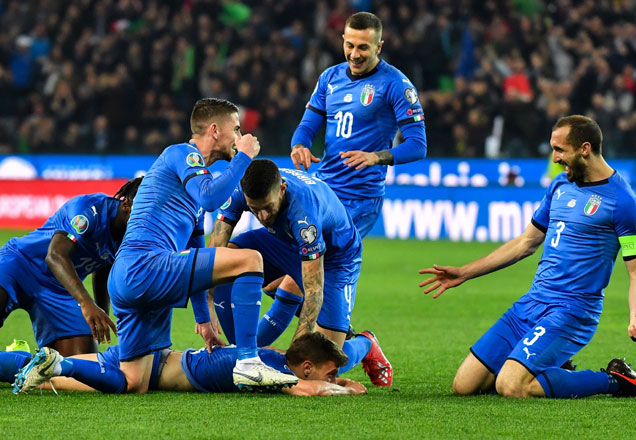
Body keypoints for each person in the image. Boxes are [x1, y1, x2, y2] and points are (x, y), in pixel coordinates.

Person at [49, 98, 296, 395]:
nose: (241, 137)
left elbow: (196, 250)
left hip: (130, 276)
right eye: (237, 129)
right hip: (145, 265)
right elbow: (209, 198)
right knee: (250, 259)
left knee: (134, 381)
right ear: (215, 130)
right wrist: (244, 156)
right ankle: (247, 361)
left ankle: (50, 368)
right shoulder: (181, 154)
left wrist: (204, 319)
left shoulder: (193, 186)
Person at [418, 115, 636, 399]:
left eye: (560, 150)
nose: (555, 158)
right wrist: (465, 272)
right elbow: (525, 243)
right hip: (532, 303)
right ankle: (551, 369)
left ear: (584, 148)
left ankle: (615, 380)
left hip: (572, 311)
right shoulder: (559, 186)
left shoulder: (624, 203)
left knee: (511, 386)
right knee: (464, 386)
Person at [209, 159, 392, 387]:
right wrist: (206, 310)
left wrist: (294, 363)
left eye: (267, 207)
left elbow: (314, 290)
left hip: (336, 259)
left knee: (319, 365)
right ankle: (240, 348)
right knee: (229, 259)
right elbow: (213, 255)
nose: (262, 217)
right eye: (255, 210)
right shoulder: (241, 189)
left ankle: (366, 344)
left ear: (282, 189)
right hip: (283, 242)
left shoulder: (304, 215)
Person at [290, 11, 427, 238]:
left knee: (315, 258)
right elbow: (306, 127)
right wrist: (299, 146)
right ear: (343, 39)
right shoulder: (329, 77)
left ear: (378, 47)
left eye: (363, 47)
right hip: (323, 188)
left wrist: (375, 157)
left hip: (360, 199)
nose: (354, 54)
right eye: (349, 45)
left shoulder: (396, 84)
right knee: (294, 258)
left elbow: (418, 145)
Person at [0, 178, 142, 356]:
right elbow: (55, 256)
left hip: (60, 290)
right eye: (144, 208)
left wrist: (101, 309)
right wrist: (86, 302)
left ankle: (17, 360)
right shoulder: (89, 210)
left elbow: (104, 265)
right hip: (20, 266)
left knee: (82, 365)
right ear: (126, 204)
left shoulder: (134, 233)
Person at [7, 332, 374, 397]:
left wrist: (338, 381)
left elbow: (307, 379)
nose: (335, 377)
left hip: (146, 353)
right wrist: (347, 390)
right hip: (141, 371)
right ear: (306, 366)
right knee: (44, 380)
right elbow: (306, 389)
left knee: (33, 365)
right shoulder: (270, 372)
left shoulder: (271, 355)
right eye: (331, 372)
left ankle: (15, 354)